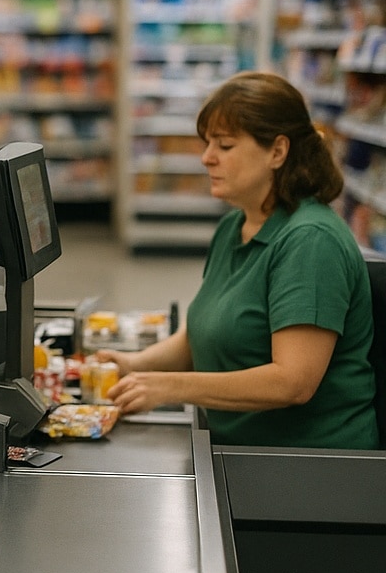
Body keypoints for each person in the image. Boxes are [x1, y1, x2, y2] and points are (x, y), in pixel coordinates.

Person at [99, 72, 378, 449]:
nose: (206, 157)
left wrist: (171, 386)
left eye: (225, 145)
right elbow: (201, 333)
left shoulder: (310, 242)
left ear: (278, 152)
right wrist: (134, 365)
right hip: (240, 451)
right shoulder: (236, 224)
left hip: (309, 472)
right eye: (208, 143)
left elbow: (292, 382)